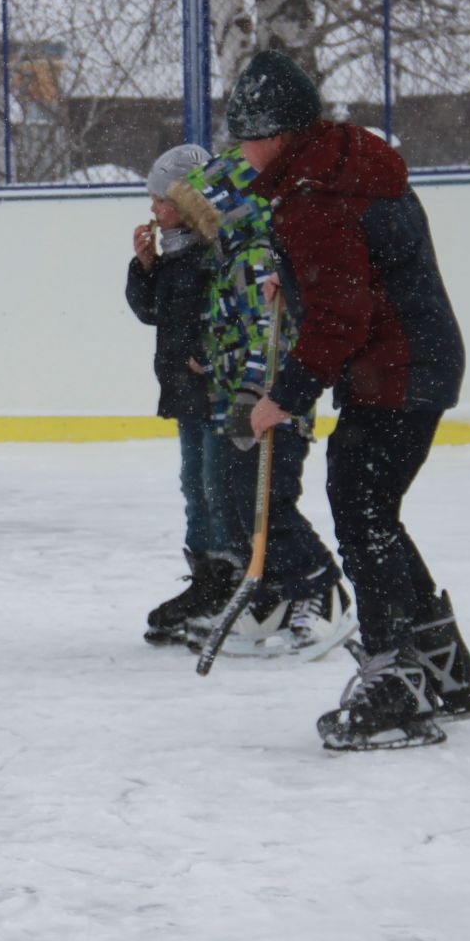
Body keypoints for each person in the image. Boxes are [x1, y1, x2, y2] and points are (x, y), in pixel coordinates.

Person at [225, 48, 470, 750]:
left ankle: (394, 681)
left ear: (274, 133)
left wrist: (286, 395)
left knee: (361, 508)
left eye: (244, 136)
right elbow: (359, 267)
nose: (240, 152)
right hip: (418, 360)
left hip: (391, 371)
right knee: (375, 510)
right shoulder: (348, 162)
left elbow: (345, 314)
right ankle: (440, 664)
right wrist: (298, 282)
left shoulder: (309, 194)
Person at [167, 146, 353, 659]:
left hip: (268, 406)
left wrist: (257, 393)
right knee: (235, 500)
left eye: (201, 209)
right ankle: (270, 596)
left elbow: (269, 336)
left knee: (265, 501)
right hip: (236, 402)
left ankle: (321, 588)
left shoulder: (258, 258)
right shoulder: (230, 256)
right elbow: (231, 328)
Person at [124, 141, 243, 647]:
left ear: (188, 202)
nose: (152, 210)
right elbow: (152, 312)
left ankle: (228, 580)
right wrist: (144, 268)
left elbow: (224, 316)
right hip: (185, 393)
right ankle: (205, 578)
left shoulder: (214, 254)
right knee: (195, 484)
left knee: (217, 486)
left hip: (212, 391)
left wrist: (204, 353)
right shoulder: (174, 254)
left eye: (160, 201)